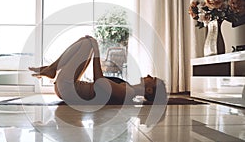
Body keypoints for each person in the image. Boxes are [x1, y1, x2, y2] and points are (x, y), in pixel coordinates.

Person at [29, 35, 167, 105]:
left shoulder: (129, 92)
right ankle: (52, 68)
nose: (149, 75)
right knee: (86, 41)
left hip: (68, 89)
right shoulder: (128, 89)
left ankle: (52, 69)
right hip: (68, 88)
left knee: (88, 43)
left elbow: (99, 82)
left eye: (152, 79)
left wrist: (96, 52)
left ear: (149, 90)